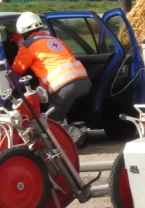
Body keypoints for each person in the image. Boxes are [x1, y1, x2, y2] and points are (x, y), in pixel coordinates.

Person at [11, 12, 91, 144]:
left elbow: (18, 68)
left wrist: (19, 46)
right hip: (83, 80)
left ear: (23, 31)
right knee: (72, 108)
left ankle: (74, 137)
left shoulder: (27, 45)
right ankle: (83, 137)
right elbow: (70, 55)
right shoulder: (55, 39)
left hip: (63, 84)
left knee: (50, 121)